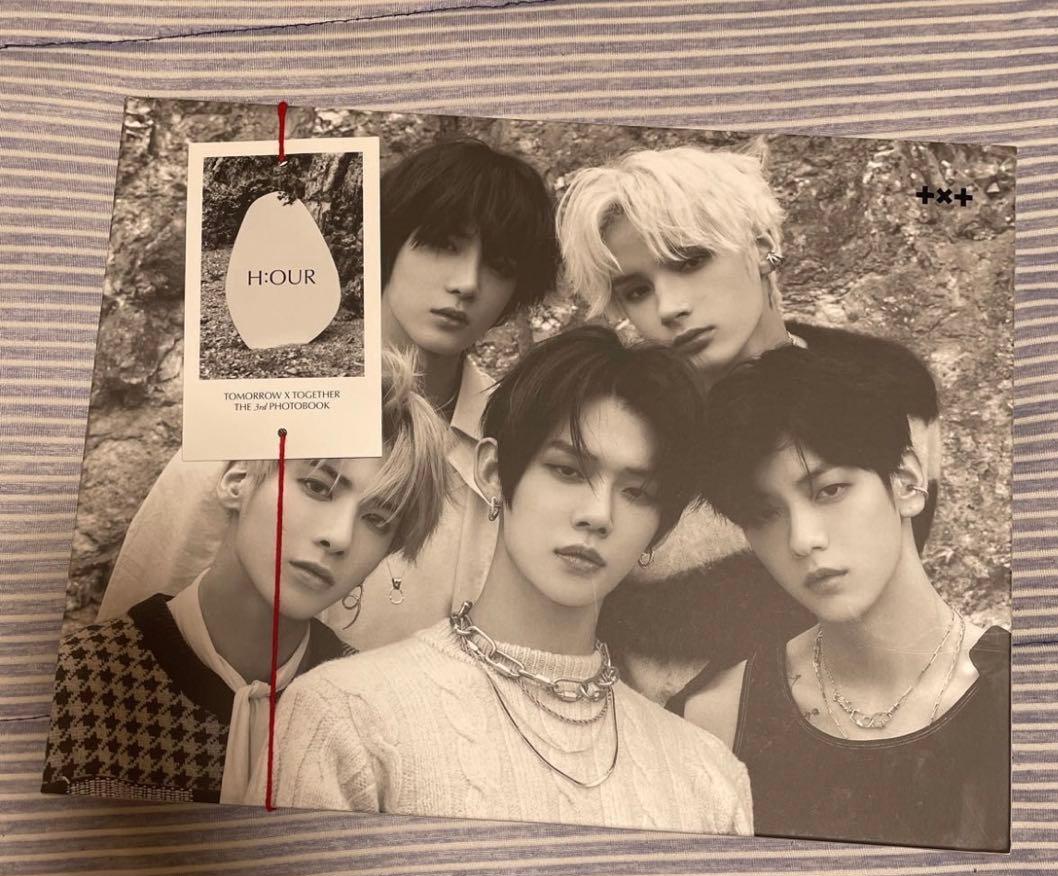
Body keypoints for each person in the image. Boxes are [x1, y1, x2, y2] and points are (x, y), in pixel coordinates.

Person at [245, 326, 753, 837]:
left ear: (659, 529)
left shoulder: (710, 779)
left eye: (638, 493)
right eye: (568, 471)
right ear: (491, 472)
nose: (599, 515)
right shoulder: (344, 716)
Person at [99, 138, 560, 651]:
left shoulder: (510, 444)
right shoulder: (269, 397)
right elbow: (136, 614)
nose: (467, 283)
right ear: (389, 243)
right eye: (443, 245)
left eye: (500, 266)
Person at [555, 143, 942, 702]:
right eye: (637, 291)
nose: (669, 307)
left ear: (761, 246)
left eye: (690, 261)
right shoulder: (620, 433)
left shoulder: (888, 386)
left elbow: (889, 590)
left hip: (848, 721)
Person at [41, 349, 449, 804]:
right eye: (318, 486)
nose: (339, 536)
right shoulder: (78, 679)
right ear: (237, 479)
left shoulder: (375, 715)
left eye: (377, 519)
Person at [674, 345, 1009, 851]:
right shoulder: (715, 718)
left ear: (908, 481)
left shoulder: (1035, 701)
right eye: (765, 514)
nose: (802, 539)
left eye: (829, 490)